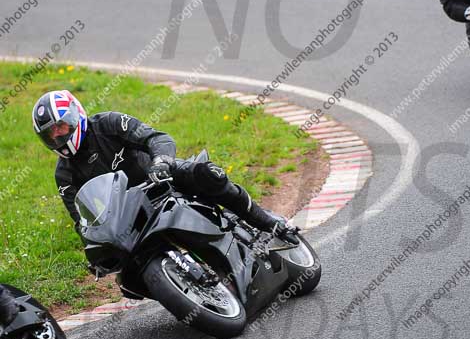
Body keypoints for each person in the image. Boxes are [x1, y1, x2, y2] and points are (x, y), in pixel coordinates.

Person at [32, 90, 297, 243]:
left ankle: (265, 221)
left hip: (160, 180)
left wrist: (161, 162)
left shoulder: (109, 123)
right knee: (127, 280)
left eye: (60, 127)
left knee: (209, 175)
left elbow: (156, 138)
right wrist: (94, 243)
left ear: (75, 116)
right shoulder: (64, 173)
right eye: (50, 133)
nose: (58, 136)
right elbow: (81, 221)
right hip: (129, 217)